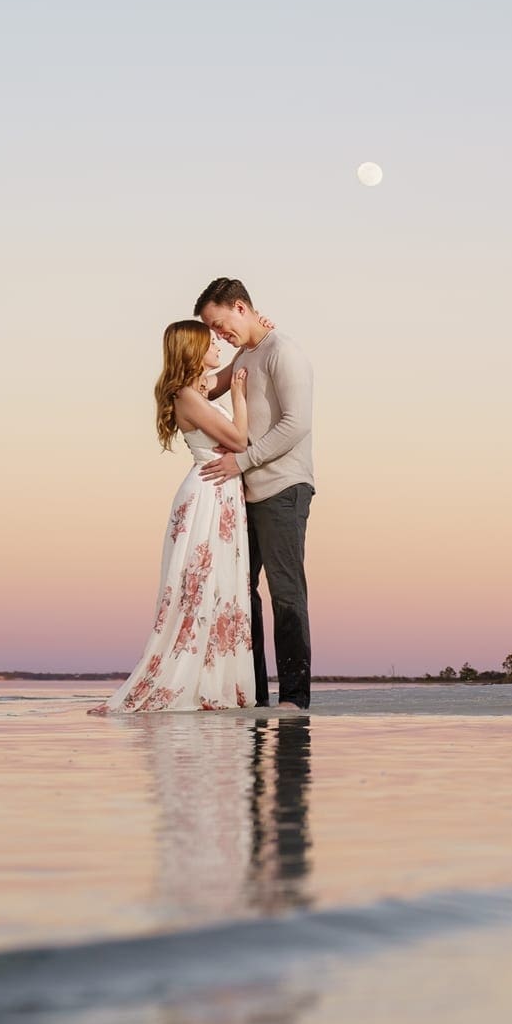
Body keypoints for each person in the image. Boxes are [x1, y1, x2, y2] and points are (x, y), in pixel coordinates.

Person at [90, 321, 257, 714]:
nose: (217, 344)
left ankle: (217, 679)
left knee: (221, 587)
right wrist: (239, 398)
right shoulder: (186, 395)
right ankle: (191, 679)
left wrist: (253, 335)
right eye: (209, 342)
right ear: (192, 351)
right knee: (200, 587)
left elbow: (235, 363)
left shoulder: (196, 390)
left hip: (222, 493)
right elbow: (237, 440)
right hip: (208, 494)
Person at [193, 278, 317, 711]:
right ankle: (255, 692)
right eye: (211, 330)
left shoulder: (284, 352)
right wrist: (176, 365)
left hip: (284, 488)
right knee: (240, 591)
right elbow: (203, 388)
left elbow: (296, 424)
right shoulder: (248, 352)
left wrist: (241, 463)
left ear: (241, 307)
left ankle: (295, 697)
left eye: (220, 324)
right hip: (245, 494)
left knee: (286, 592)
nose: (218, 336)